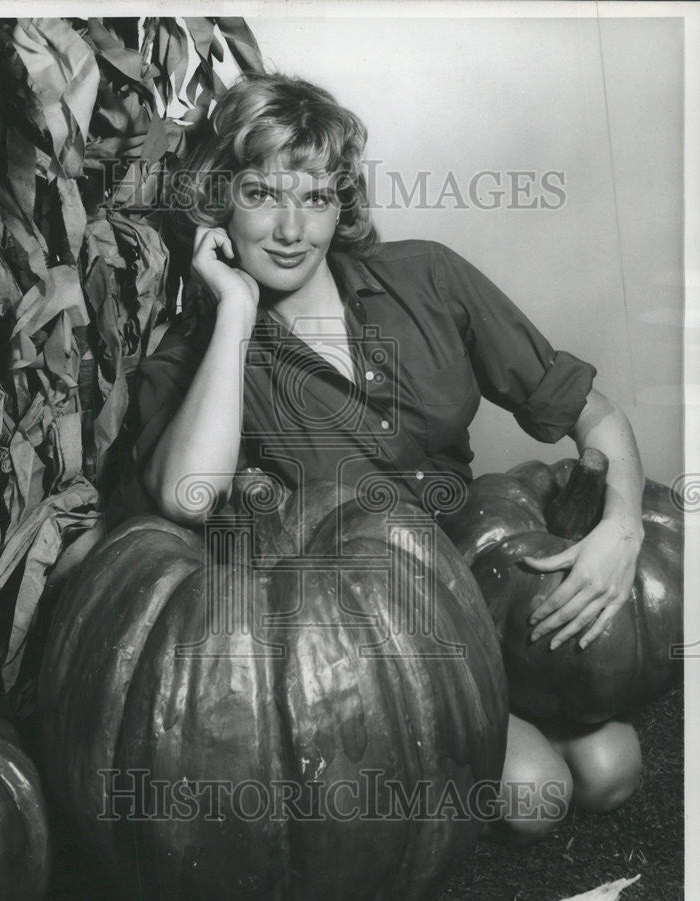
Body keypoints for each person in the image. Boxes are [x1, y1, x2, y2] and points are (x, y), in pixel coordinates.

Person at [118, 72, 644, 841]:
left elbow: (593, 415)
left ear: (343, 205)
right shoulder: (199, 356)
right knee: (535, 799)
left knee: (612, 771)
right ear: (218, 201)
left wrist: (621, 529)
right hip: (382, 631)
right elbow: (186, 500)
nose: (292, 228)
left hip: (486, 574)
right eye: (263, 194)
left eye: (318, 197)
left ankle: (510, 719)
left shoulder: (426, 276)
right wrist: (233, 313)